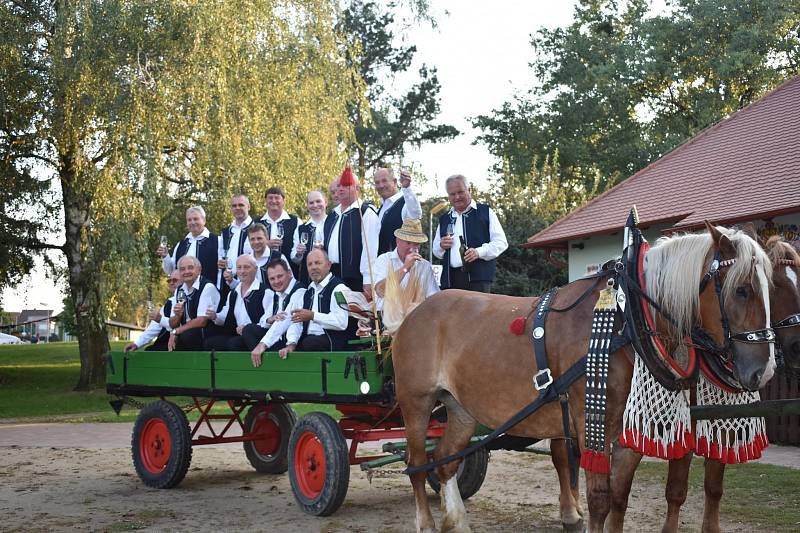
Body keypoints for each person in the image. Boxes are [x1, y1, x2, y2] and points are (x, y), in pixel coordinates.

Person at [250, 249, 351, 365]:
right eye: (310, 264)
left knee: (309, 342)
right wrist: (288, 344)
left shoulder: (339, 289)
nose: (313, 267)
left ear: (328, 265)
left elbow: (341, 322)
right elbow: (288, 319)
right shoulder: (305, 292)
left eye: (318, 263)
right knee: (288, 348)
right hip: (309, 343)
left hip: (333, 344)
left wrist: (313, 316)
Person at [432, 174, 508, 293]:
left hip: (478, 280)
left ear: (469, 190)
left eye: (460, 192)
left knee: (479, 312)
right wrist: (441, 245)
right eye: (452, 194)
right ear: (448, 196)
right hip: (450, 281)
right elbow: (436, 251)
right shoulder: (444, 219)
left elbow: (501, 243)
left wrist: (478, 252)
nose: (457, 197)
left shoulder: (485, 212)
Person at [323, 175, 379, 297]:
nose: (341, 188)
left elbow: (370, 249)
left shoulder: (365, 213)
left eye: (346, 185)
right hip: (331, 276)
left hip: (355, 278)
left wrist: (368, 280)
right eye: (339, 185)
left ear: (356, 188)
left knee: (354, 315)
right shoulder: (332, 215)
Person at [373, 219, 440, 310]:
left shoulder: (424, 266)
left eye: (416, 244)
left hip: (415, 320)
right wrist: (405, 268)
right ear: (398, 241)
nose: (412, 249)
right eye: (408, 243)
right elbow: (380, 291)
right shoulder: (384, 260)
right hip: (387, 318)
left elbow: (433, 298)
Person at [203, 255, 267, 351]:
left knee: (235, 343)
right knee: (210, 343)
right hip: (237, 336)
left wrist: (246, 328)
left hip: (257, 336)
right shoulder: (233, 293)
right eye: (239, 267)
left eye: (246, 267)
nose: (242, 271)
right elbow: (225, 316)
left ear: (255, 269)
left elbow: (267, 321)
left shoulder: (265, 291)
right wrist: (214, 316)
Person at [243, 258, 306, 353]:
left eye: (280, 276)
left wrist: (262, 344)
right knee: (243, 335)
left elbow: (286, 320)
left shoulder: (299, 291)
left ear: (289, 273)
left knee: (249, 330)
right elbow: (263, 322)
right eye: (272, 278)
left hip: (293, 342)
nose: (276, 281)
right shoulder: (277, 293)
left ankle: (268, 365)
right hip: (278, 340)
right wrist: (271, 319)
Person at [158, 206, 220, 293]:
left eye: (196, 219)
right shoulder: (181, 244)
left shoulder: (217, 241)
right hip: (184, 294)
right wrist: (165, 256)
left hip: (208, 293)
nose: (192, 222)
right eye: (189, 220)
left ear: (204, 220)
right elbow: (171, 270)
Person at [167, 255, 220, 351]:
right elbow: (172, 323)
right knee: (171, 343)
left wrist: (176, 331)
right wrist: (177, 316)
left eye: (190, 268)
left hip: (209, 333)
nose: (186, 272)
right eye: (182, 269)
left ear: (199, 270)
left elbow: (202, 321)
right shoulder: (179, 290)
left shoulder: (207, 287)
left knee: (187, 336)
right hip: (187, 332)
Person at [124, 272, 182, 352]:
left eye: (175, 280)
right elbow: (154, 328)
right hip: (166, 345)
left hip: (181, 344)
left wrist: (160, 319)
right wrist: (136, 344)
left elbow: (176, 325)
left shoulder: (186, 300)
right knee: (149, 351)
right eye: (169, 281)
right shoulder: (168, 304)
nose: (171, 283)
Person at [373, 168, 422, 255]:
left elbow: (415, 215)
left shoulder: (405, 203)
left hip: (401, 264)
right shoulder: (380, 209)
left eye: (384, 181)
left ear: (395, 181)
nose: (381, 185)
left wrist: (407, 188)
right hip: (381, 264)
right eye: (377, 182)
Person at [258, 186, 299, 277]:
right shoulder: (257, 222)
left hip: (289, 273)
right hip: (262, 273)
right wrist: (265, 245)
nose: (273, 201)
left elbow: (298, 252)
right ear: (266, 201)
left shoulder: (295, 221)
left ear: (283, 200)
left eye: (277, 198)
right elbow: (247, 249)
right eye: (270, 198)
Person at [291, 190, 328, 285]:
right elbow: (294, 259)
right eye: (311, 203)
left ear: (326, 202)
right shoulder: (300, 229)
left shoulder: (333, 224)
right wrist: (299, 254)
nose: (315, 205)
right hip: (307, 279)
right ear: (307, 206)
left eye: (318, 201)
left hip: (329, 278)